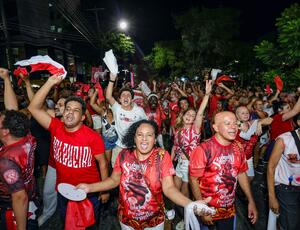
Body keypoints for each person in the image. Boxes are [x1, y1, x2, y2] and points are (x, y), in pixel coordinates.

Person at [77, 120, 214, 230]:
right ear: (134, 138)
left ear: (155, 139)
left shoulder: (162, 156)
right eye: (140, 134)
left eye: (149, 135)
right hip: (127, 219)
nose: (144, 139)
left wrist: (191, 205)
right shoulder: (124, 154)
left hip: (153, 220)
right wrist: (89, 188)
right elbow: (113, 180)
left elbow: (169, 188)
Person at [28, 74, 109, 226]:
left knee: (89, 225)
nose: (70, 112)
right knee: (67, 223)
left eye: (76, 110)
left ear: (83, 117)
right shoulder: (56, 127)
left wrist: (104, 190)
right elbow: (33, 107)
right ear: (63, 113)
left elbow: (103, 163)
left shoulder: (92, 137)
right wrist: (50, 82)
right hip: (63, 191)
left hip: (88, 192)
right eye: (68, 109)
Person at [189, 111, 258, 230]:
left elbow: (241, 173)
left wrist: (250, 200)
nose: (233, 127)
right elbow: (193, 179)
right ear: (215, 127)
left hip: (229, 209)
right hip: (208, 208)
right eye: (227, 123)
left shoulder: (238, 147)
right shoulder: (203, 149)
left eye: (235, 123)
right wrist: (202, 208)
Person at [0, 110, 37, 230]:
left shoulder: (7, 162)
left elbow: (20, 197)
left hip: (11, 206)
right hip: (30, 192)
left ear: (6, 131)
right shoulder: (27, 136)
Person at [106, 73, 147, 167]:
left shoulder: (139, 111)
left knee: (133, 174)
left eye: (128, 95)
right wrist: (112, 80)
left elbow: (147, 126)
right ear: (119, 99)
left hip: (135, 148)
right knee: (116, 173)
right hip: (119, 148)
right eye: (123, 95)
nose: (125, 97)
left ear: (132, 99)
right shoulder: (117, 108)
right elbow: (108, 96)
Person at [267, 114, 300, 230]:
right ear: (299, 122)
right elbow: (271, 168)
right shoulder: (284, 140)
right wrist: (272, 197)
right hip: (287, 189)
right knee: (290, 225)